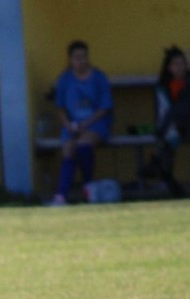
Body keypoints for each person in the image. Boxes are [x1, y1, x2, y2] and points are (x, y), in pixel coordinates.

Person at [49, 41, 113, 206]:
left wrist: (85, 124)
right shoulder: (65, 79)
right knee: (69, 149)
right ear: (70, 60)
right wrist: (68, 125)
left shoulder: (98, 77)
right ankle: (61, 196)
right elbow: (60, 108)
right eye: (77, 58)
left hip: (95, 123)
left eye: (84, 57)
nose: (82, 61)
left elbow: (104, 108)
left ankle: (88, 187)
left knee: (83, 144)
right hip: (72, 125)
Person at [141, 46, 190, 198]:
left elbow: (184, 109)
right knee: (168, 135)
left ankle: (157, 163)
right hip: (171, 127)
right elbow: (162, 111)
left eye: (182, 63)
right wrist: (163, 127)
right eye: (176, 64)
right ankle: (167, 178)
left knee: (169, 132)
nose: (180, 67)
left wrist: (163, 128)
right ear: (168, 67)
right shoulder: (162, 87)